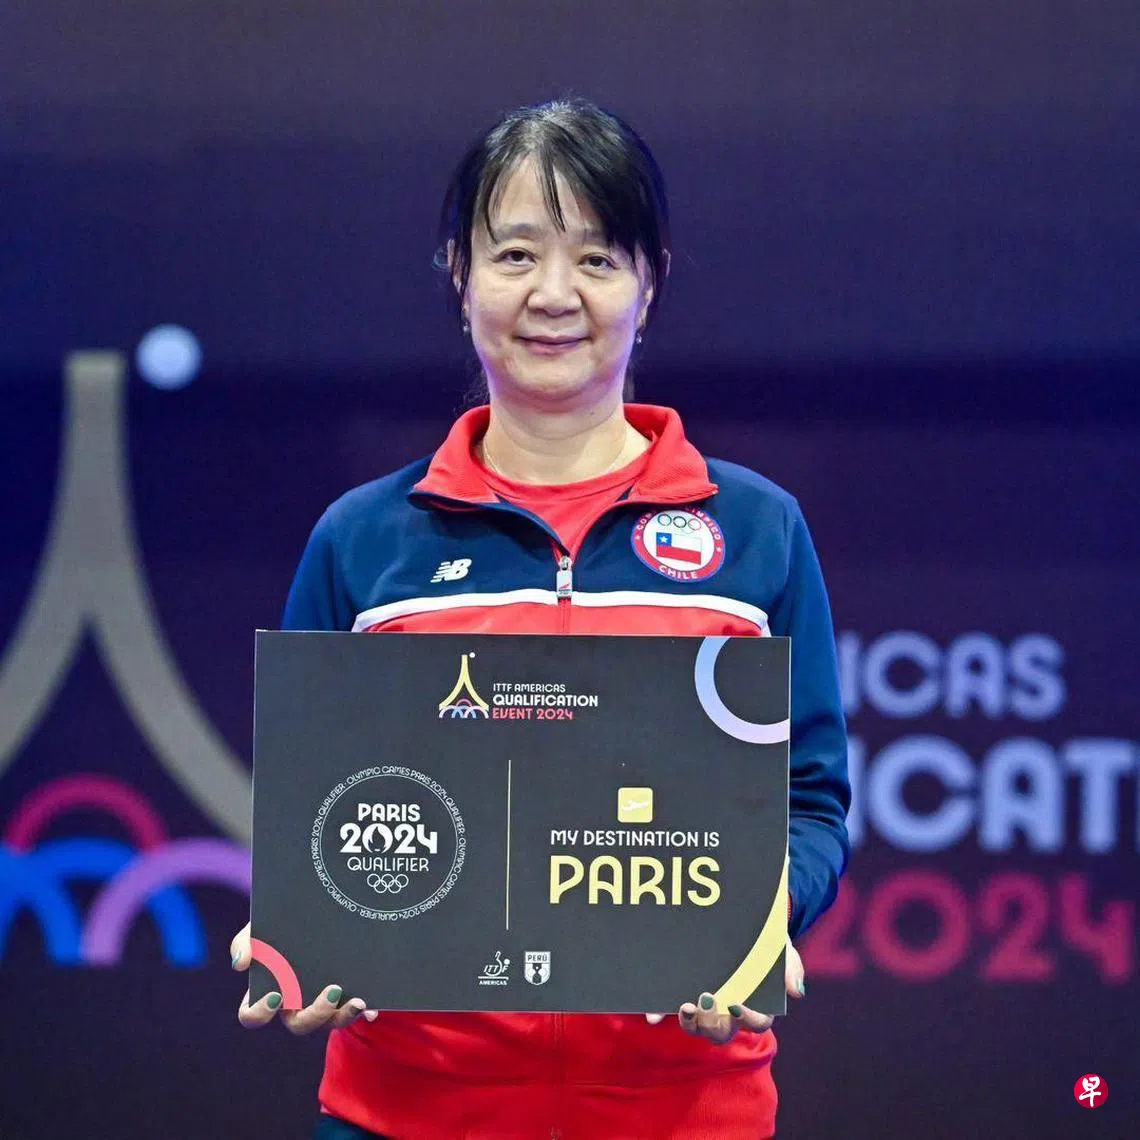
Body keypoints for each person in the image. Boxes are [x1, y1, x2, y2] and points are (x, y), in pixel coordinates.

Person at [231, 96, 850, 1140]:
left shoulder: (757, 531)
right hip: (403, 1111)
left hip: (685, 1111)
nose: (554, 294)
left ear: (649, 283)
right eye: (515, 254)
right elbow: (312, 812)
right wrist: (303, 938)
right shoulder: (362, 540)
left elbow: (813, 803)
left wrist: (760, 922)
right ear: (459, 276)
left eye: (597, 259)